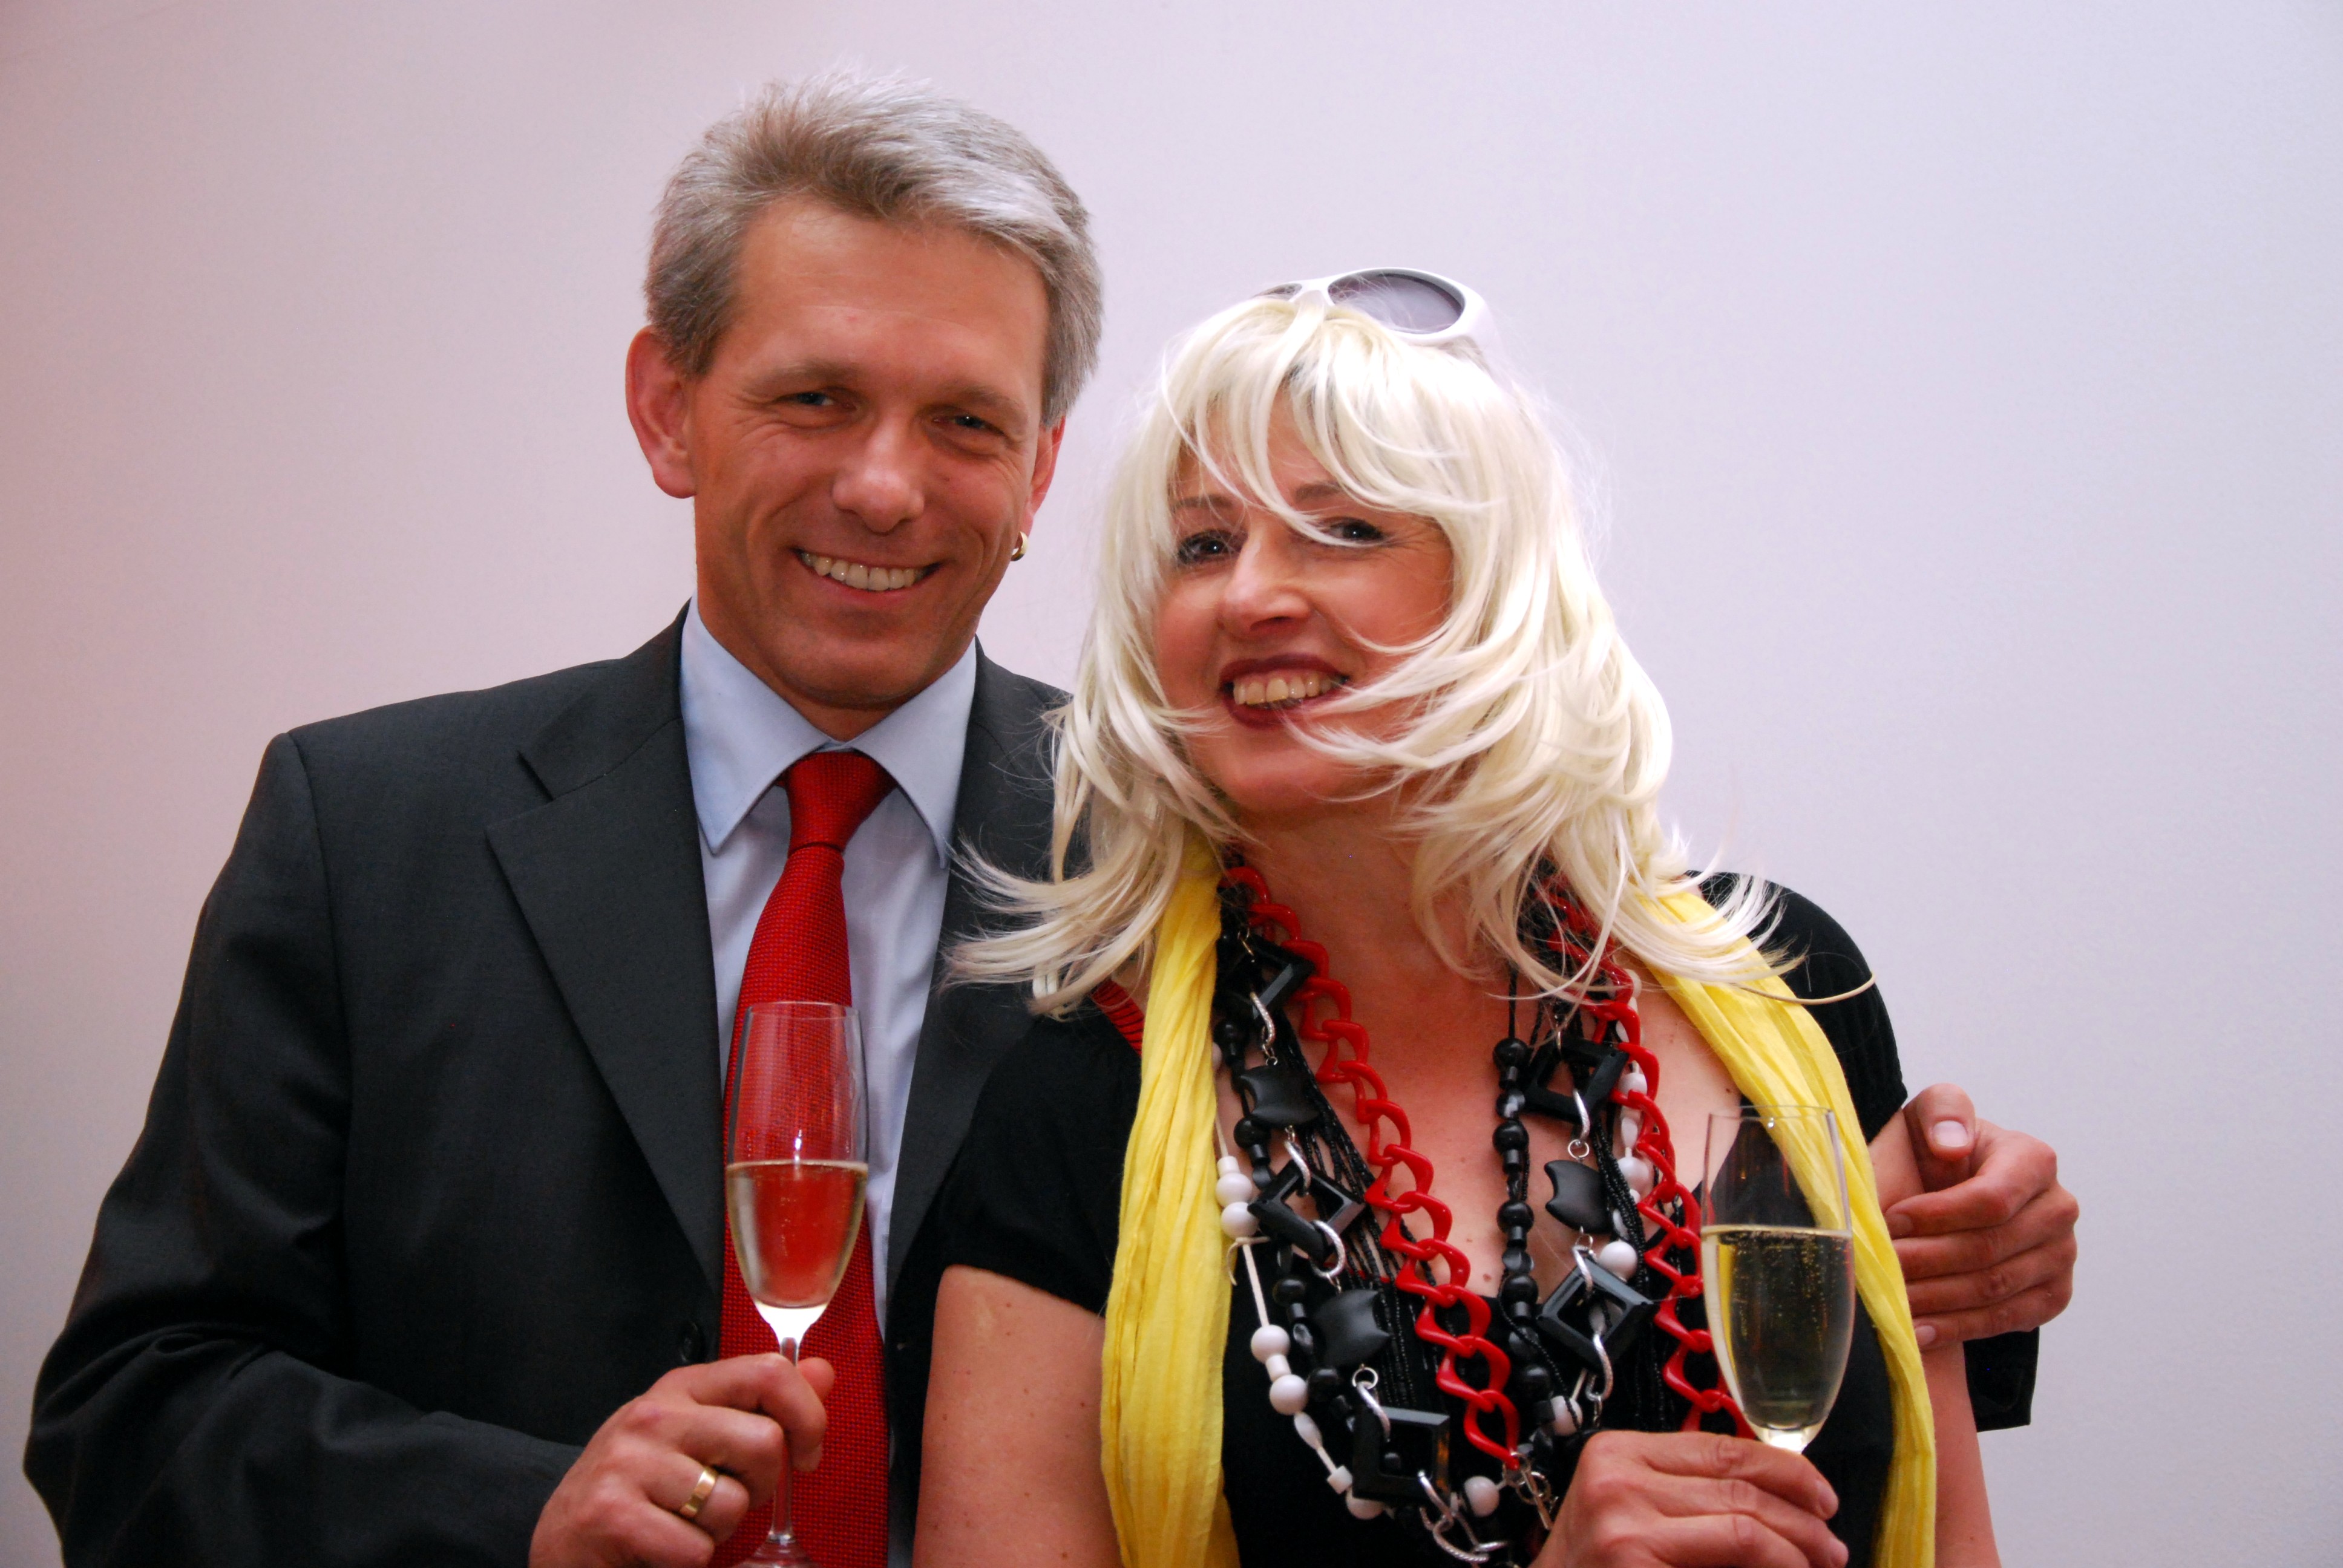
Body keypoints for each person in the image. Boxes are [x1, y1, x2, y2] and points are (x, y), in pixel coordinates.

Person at [25, 77, 2068, 1568]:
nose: (887, 486)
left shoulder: (1211, 852)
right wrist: (519, 1512)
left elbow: (1629, 1203)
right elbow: (130, 1411)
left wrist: (1950, 1250)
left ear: (1039, 473)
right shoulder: (367, 831)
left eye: (965, 423)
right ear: (666, 408)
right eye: (813, 399)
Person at [911, 275, 2062, 1567]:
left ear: (1497, 588)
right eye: (1203, 545)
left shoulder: (1786, 987)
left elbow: (1950, 1535)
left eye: (1343, 528)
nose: (1250, 595)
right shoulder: (1075, 1107)